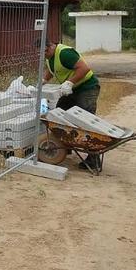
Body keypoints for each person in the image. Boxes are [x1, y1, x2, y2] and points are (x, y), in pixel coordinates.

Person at [37, 38, 102, 171]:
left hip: (87, 88)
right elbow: (53, 69)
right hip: (72, 91)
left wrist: (70, 82)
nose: (42, 56)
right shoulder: (51, 57)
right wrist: (43, 80)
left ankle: (93, 161)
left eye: (43, 53)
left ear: (49, 47)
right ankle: (65, 148)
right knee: (59, 115)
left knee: (86, 122)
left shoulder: (65, 53)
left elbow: (84, 68)